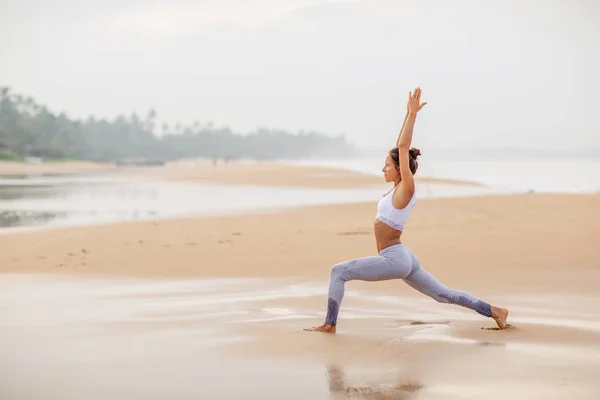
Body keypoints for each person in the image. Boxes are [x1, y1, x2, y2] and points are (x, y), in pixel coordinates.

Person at [304, 87, 509, 333]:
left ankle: (329, 324)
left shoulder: (406, 189)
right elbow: (398, 146)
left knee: (338, 271)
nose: (383, 169)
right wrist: (406, 114)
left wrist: (412, 115)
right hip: (403, 256)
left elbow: (402, 146)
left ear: (401, 169)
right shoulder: (397, 188)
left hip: (395, 258)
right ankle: (495, 311)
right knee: (444, 295)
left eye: (387, 166)